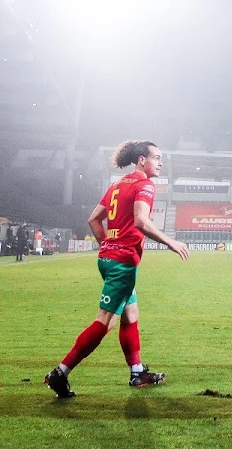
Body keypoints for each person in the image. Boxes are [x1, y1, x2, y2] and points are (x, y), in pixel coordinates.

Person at [45, 141, 190, 398]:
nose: (160, 163)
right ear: (142, 160)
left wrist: (109, 245)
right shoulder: (144, 184)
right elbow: (141, 221)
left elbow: (93, 219)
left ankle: (137, 371)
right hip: (122, 263)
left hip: (108, 258)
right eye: (156, 158)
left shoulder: (117, 184)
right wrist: (170, 241)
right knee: (106, 321)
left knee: (130, 313)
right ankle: (61, 372)